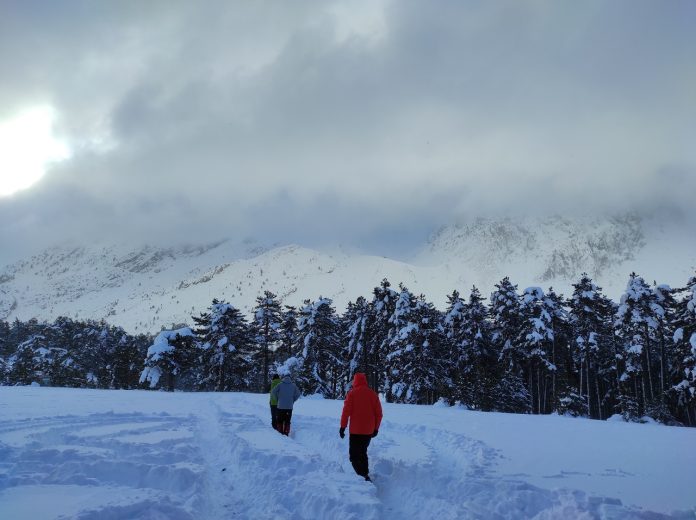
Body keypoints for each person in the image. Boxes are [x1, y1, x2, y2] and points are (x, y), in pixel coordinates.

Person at [339, 372, 383, 481]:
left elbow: (346, 412)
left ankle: (362, 476)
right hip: (368, 431)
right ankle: (365, 473)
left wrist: (343, 426)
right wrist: (376, 428)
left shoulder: (352, 394)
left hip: (355, 431)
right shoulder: (373, 394)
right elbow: (379, 414)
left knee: (354, 456)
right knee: (362, 452)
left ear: (355, 382)